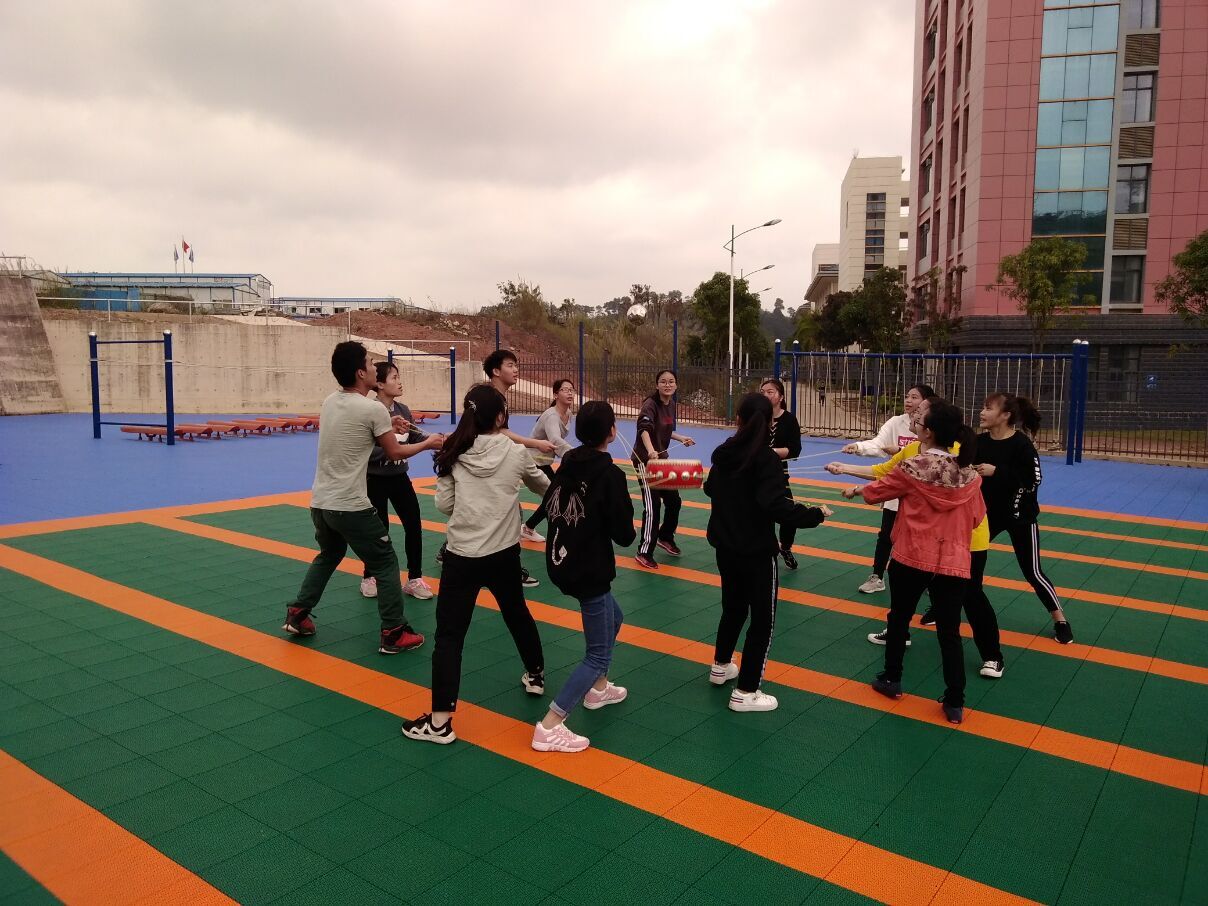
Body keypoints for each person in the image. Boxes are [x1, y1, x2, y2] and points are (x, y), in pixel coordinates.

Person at [402, 385, 550, 744]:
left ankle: (440, 723)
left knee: (450, 637)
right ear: (500, 417)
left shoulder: (453, 452)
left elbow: (445, 506)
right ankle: (535, 674)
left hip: (462, 556)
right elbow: (545, 487)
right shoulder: (516, 452)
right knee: (517, 613)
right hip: (504, 554)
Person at [827, 397, 1006, 679]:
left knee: (963, 600)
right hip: (942, 549)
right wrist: (846, 470)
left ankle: (990, 656)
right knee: (942, 624)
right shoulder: (930, 458)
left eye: (919, 411)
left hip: (949, 545)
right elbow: (884, 474)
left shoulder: (932, 460)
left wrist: (862, 491)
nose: (912, 412)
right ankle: (953, 694)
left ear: (931, 427)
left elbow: (888, 485)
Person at [283, 341, 443, 654]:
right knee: (385, 561)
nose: (374, 367)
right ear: (360, 373)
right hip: (350, 505)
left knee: (329, 554)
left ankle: (298, 613)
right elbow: (394, 451)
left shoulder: (331, 401)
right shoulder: (372, 409)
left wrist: (388, 423)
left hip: (321, 502)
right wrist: (428, 443)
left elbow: (358, 430)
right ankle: (394, 632)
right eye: (370, 363)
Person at [843, 399, 985, 724]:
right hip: (953, 561)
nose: (915, 423)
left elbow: (879, 491)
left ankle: (891, 679)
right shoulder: (970, 475)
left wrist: (856, 491)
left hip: (912, 555)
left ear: (929, 432)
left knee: (899, 618)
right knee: (949, 631)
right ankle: (955, 701)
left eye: (920, 421)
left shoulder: (913, 467)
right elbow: (976, 518)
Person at [705, 393, 831, 712]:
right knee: (762, 620)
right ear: (769, 423)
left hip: (725, 548)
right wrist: (815, 514)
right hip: (756, 553)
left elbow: (710, 488)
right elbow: (776, 505)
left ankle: (721, 666)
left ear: (738, 419)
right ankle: (746, 691)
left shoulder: (725, 453)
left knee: (733, 608)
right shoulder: (765, 459)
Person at [531, 401, 636, 752]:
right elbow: (625, 536)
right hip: (589, 570)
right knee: (597, 654)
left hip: (562, 562)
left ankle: (599, 689)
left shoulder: (569, 462)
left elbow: (551, 504)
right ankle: (550, 725)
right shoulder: (610, 475)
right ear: (612, 432)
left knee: (614, 617)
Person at [436, 349, 555, 588]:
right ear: (496, 371)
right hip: (484, 458)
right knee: (505, 512)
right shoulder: (490, 399)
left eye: (516, 365)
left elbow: (445, 504)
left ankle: (450, 550)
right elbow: (500, 432)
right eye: (510, 365)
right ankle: (507, 567)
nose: (516, 370)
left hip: (483, 459)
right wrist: (535, 443)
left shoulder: (491, 398)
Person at [974, 393, 1073, 645]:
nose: (982, 412)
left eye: (988, 408)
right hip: (986, 516)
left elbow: (1033, 480)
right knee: (964, 562)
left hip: (1020, 516)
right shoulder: (978, 442)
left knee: (1033, 571)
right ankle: (941, 607)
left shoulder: (1022, 445)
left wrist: (997, 471)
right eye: (983, 407)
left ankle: (1060, 619)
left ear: (1005, 415)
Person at [840, 384, 936, 594]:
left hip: (924, 497)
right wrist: (859, 447)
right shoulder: (896, 423)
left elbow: (931, 459)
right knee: (886, 536)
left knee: (923, 539)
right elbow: (879, 447)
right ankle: (877, 576)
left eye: (915, 397)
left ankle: (929, 579)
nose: (908, 401)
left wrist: (900, 450)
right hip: (896, 491)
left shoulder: (934, 431)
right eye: (907, 396)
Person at [359, 361, 434, 602]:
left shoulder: (403, 410)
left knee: (413, 524)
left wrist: (440, 441)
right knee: (378, 530)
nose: (400, 382)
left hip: (400, 477)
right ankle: (370, 576)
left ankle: (414, 578)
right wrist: (395, 449)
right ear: (380, 384)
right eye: (394, 377)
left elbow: (417, 438)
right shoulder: (369, 411)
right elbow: (365, 450)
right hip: (374, 480)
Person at [633, 369, 695, 570]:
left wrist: (681, 438)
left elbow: (666, 430)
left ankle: (665, 537)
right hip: (645, 461)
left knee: (674, 501)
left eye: (671, 381)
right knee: (653, 506)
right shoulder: (650, 404)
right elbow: (644, 430)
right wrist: (651, 451)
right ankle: (644, 552)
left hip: (662, 460)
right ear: (657, 385)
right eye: (663, 381)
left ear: (676, 385)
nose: (667, 385)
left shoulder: (671, 404)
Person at [520, 378, 575, 543]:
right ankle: (529, 527)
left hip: (544, 463)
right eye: (565, 390)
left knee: (556, 495)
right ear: (556, 394)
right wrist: (575, 455)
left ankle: (528, 527)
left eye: (571, 390)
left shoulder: (568, 413)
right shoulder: (551, 415)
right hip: (532, 462)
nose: (569, 393)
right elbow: (555, 439)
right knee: (555, 496)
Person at [760, 378, 803, 569]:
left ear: (781, 396)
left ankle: (785, 547)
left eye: (770, 392)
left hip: (779, 476)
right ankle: (763, 549)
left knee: (789, 516)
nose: (766, 395)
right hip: (756, 475)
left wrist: (769, 453)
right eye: (763, 392)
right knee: (758, 515)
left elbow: (794, 450)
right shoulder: (756, 417)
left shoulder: (789, 420)